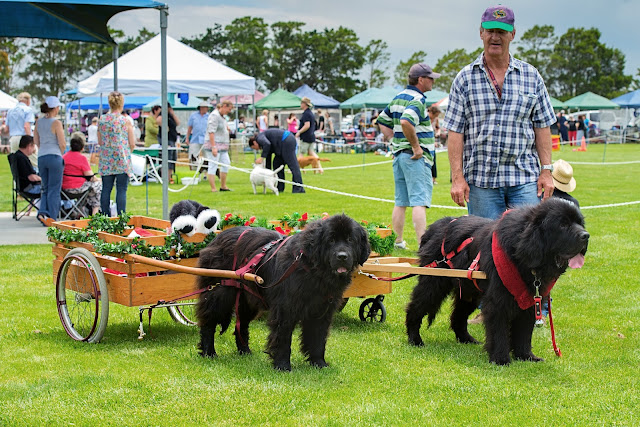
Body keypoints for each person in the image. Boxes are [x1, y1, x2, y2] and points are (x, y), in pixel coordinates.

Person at [443, 5, 556, 221]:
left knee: (526, 240)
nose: (495, 37)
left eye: (502, 32)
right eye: (490, 31)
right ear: (481, 33)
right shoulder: (464, 79)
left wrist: (547, 171)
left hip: (524, 179)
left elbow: (542, 126)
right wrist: (457, 177)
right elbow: (455, 132)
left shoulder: (531, 76)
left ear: (512, 34)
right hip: (481, 183)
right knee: (484, 241)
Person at [377, 63, 440, 249]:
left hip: (399, 156)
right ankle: (423, 244)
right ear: (421, 80)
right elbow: (406, 121)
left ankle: (398, 242)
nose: (433, 81)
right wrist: (416, 147)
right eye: (430, 78)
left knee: (401, 202)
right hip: (415, 158)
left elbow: (382, 120)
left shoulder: (399, 97)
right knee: (420, 202)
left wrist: (393, 141)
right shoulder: (418, 99)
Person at [98, 91, 136, 215]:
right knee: (121, 189)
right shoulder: (125, 121)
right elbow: (132, 143)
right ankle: (121, 217)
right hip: (121, 158)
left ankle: (105, 216)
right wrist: (128, 151)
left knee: (106, 189)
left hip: (106, 159)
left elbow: (100, 141)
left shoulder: (102, 120)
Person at [34, 96, 66, 225]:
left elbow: (36, 141)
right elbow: (62, 143)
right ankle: (52, 217)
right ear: (56, 108)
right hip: (54, 155)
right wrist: (61, 153)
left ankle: (43, 212)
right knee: (54, 188)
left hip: (42, 156)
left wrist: (43, 149)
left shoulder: (38, 122)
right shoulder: (56, 123)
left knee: (45, 188)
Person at [248, 129, 305, 194]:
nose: (257, 149)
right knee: (277, 164)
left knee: (293, 166)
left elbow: (267, 144)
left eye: (254, 148)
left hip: (287, 140)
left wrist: (262, 157)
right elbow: (268, 158)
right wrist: (266, 174)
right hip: (282, 144)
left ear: (254, 143)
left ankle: (299, 189)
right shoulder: (264, 142)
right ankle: (279, 188)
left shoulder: (259, 138)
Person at [62, 132, 102, 215]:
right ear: (82, 146)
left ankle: (79, 211)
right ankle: (95, 211)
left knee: (90, 189)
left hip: (64, 189)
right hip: (78, 188)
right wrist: (99, 179)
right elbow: (91, 177)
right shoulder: (82, 158)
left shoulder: (64, 157)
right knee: (97, 186)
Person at [205, 100, 233, 192]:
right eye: (229, 109)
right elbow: (211, 131)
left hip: (222, 145)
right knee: (213, 165)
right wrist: (213, 147)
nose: (229, 111)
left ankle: (223, 186)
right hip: (214, 145)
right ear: (224, 106)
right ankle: (213, 188)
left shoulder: (222, 117)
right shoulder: (214, 116)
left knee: (226, 163)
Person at [7, 92, 37, 168]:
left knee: (16, 164)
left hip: (13, 138)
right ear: (28, 100)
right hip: (24, 137)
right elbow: (26, 126)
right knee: (34, 162)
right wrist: (31, 141)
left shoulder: (10, 111)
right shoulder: (28, 110)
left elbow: (7, 128)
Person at [156, 104, 180, 183]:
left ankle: (169, 177)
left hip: (172, 139)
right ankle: (165, 177)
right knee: (167, 158)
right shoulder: (162, 115)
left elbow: (178, 123)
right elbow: (158, 120)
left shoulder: (170, 115)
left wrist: (173, 114)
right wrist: (164, 126)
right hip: (166, 140)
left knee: (172, 159)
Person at [186, 102, 210, 170]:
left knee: (207, 157)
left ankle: (206, 171)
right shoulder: (193, 116)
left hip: (206, 140)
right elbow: (190, 127)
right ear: (201, 108)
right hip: (195, 139)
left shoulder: (209, 116)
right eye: (205, 107)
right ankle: (195, 170)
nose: (207, 109)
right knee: (193, 156)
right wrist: (187, 138)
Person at [427, 105, 441, 185]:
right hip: (425, 141)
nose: (436, 116)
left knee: (433, 160)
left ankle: (433, 179)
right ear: (432, 112)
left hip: (432, 141)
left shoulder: (436, 119)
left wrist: (438, 132)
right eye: (436, 115)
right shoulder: (425, 118)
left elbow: (438, 127)